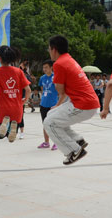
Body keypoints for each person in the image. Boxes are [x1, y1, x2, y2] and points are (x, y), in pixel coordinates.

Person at [44, 35, 100, 165]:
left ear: (54, 49)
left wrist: (56, 82)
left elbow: (60, 90)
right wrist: (58, 105)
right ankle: (77, 140)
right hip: (83, 102)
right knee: (51, 115)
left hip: (83, 105)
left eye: (49, 48)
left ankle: (74, 151)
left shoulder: (59, 64)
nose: (49, 51)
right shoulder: (69, 59)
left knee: (49, 123)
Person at [0, 46, 31, 142]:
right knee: (11, 137)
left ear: (0, 57)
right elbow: (28, 90)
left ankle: (5, 122)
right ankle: (11, 126)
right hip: (17, 107)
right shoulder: (19, 72)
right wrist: (24, 100)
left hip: (3, 108)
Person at [37, 60, 58, 151]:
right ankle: (46, 142)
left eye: (46, 67)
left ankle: (56, 143)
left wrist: (58, 104)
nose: (44, 69)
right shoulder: (42, 78)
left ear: (51, 67)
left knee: (54, 125)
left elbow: (60, 91)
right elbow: (42, 89)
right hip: (43, 104)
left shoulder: (56, 77)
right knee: (45, 124)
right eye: (43, 67)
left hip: (53, 105)